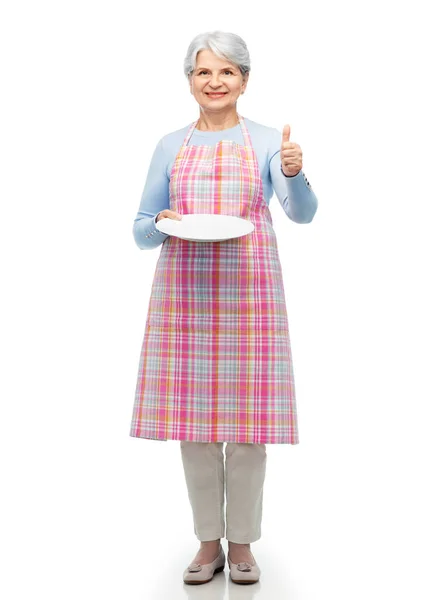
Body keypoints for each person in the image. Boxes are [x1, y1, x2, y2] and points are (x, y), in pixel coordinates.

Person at [129, 30, 318, 585]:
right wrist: (162, 224)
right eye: (204, 72)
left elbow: (301, 213)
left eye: (227, 72)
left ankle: (242, 547)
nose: (215, 82)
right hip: (184, 296)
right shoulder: (169, 144)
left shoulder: (266, 141)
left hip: (250, 297)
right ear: (189, 81)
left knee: (249, 429)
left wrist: (291, 171)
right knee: (195, 429)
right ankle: (207, 543)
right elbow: (141, 228)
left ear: (245, 80)